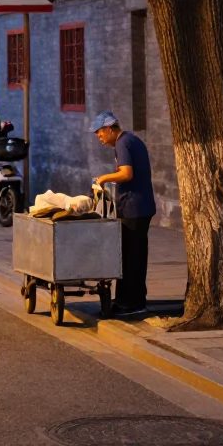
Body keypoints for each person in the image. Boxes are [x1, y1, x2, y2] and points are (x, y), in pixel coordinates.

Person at [91, 110, 156, 318]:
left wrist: (103, 178)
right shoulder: (130, 140)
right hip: (137, 207)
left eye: (100, 133)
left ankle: (132, 304)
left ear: (109, 129)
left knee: (132, 257)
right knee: (131, 255)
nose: (99, 137)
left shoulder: (122, 143)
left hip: (134, 208)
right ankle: (125, 300)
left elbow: (127, 173)